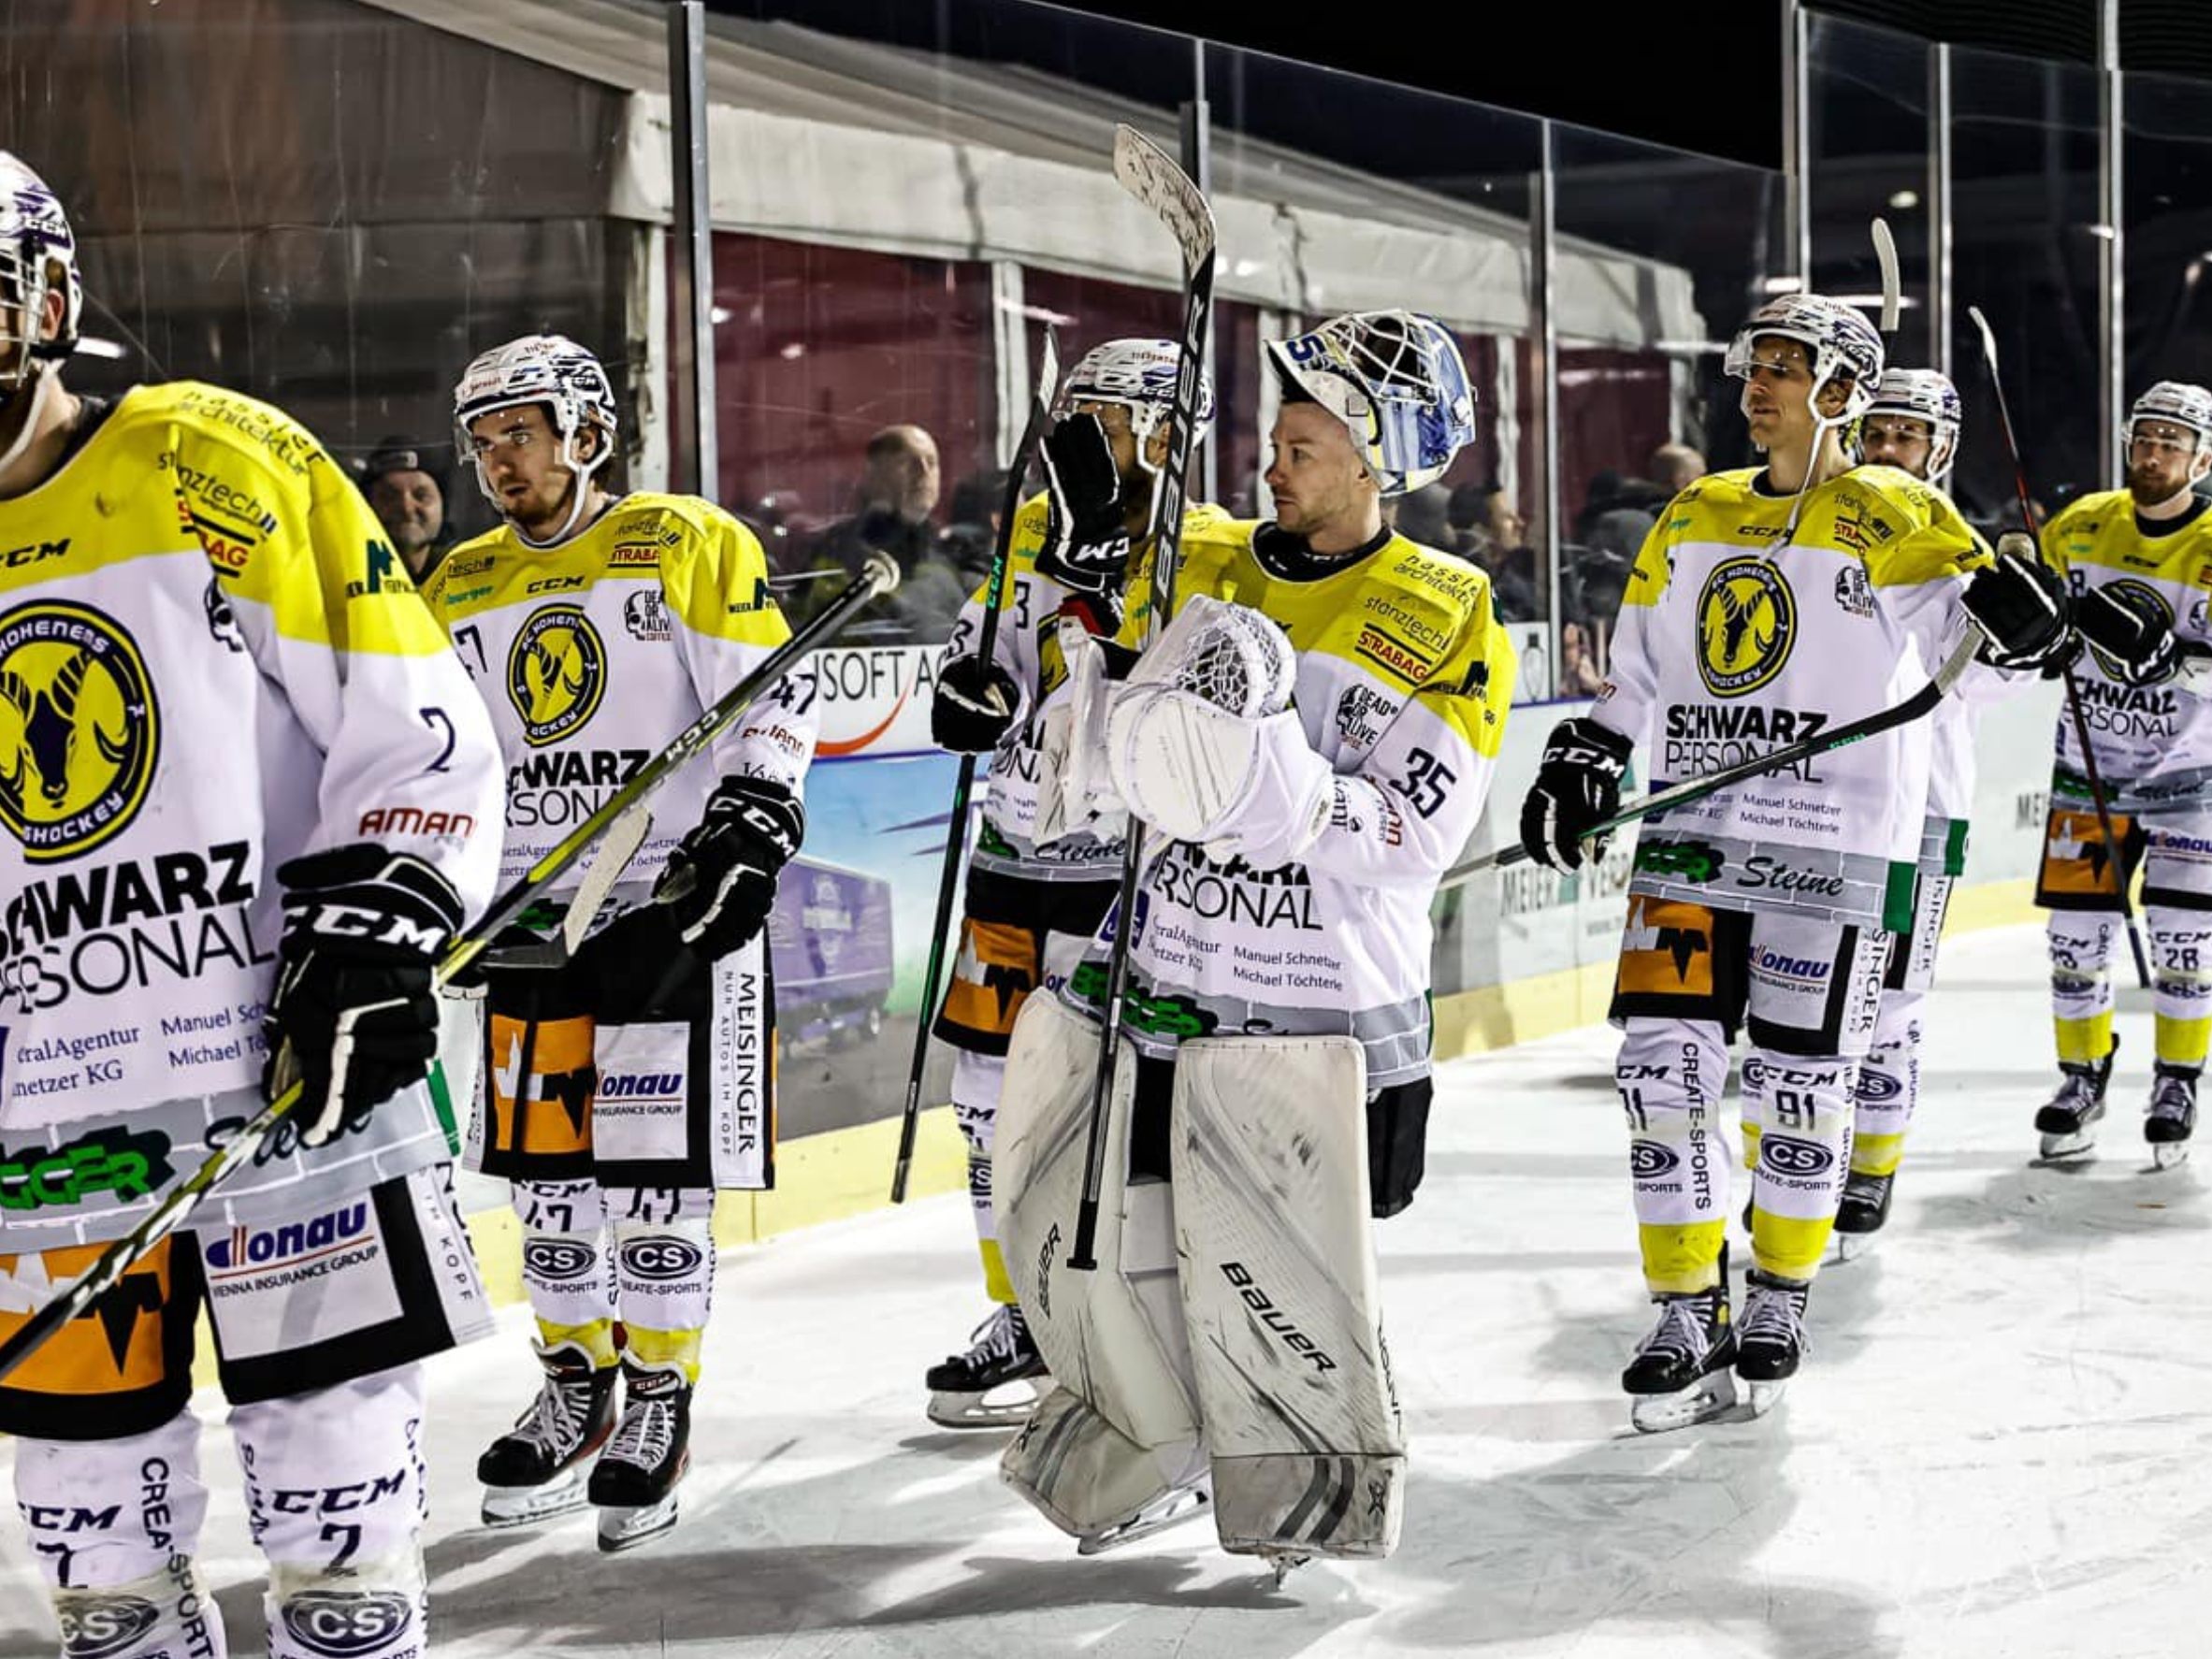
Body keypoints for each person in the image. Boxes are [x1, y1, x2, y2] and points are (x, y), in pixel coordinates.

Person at [0, 151, 505, 1659]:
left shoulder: (208, 459)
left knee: (343, 1551)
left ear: (43, 295)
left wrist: (378, 919)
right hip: (41, 1122)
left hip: (294, 1072)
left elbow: (409, 713)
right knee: (101, 1583)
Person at [991, 310, 1516, 1569]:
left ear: (1373, 462)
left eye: (1301, 444)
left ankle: (1305, 1479)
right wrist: (1086, 583)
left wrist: (1255, 769)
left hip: (1321, 1014)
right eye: (1273, 439)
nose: (1271, 465)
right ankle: (1155, 1441)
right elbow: (1109, 742)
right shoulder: (1209, 563)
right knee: (1124, 1237)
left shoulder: (1449, 611)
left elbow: (1402, 838)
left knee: (1277, 1275)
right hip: (1170, 976)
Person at [1516, 295, 2072, 1434]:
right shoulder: (1693, 510)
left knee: (1800, 1084)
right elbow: (1636, 674)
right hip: (1694, 845)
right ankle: (1682, 1306)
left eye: (1783, 365)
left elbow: (1980, 657)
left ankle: (1776, 1291)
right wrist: (1584, 755)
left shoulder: (1895, 510)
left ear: (1839, 388)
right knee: (1655, 1077)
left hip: (1836, 855)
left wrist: (2032, 626)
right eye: (1754, 365)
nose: (1755, 385)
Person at [419, 333, 818, 1551]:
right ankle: (576, 1382)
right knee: (546, 1188)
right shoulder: (461, 582)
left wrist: (754, 810)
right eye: (483, 440)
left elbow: (768, 698)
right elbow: (438, 745)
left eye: (521, 431)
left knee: (650, 1183)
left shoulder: (684, 541)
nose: (500, 459)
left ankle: (659, 1395)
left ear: (586, 431)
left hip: (658, 907)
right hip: (530, 916)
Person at [920, 339, 1221, 1428]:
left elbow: (1182, 696)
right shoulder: (1031, 537)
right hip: (1012, 864)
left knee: (1118, 1112)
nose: (1080, 436)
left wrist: (1108, 578)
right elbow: (989, 660)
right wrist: (969, 692)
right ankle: (1025, 1316)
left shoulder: (1211, 549)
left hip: (1123, 873)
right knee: (986, 1113)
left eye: (1106, 415)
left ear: (1166, 430)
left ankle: (1136, 1319)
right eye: (1077, 412)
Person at [1809, 367, 1976, 1250]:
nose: (1884, 450)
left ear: (1939, 450)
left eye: (1906, 437)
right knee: (1806, 1010)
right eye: (1875, 432)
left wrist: (2020, 636)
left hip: (1923, 815)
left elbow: (1984, 688)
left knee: (1895, 999)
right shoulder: (1820, 535)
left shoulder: (1954, 552)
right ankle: (1805, 1165)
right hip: (1827, 809)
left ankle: (1870, 1163)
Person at [2029, 381, 2212, 1166]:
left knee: (2184, 943)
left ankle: (2176, 1078)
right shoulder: (2081, 524)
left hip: (2192, 781)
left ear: (2201, 459)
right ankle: (2081, 1076)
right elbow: (2042, 624)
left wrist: (2176, 663)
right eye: (2145, 438)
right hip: (2086, 774)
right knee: (2073, 943)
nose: (2153, 453)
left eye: (2172, 443)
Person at [795, 423, 963, 640]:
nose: (924, 471)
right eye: (907, 462)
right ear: (873, 474)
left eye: (932, 462)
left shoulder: (954, 554)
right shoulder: (836, 552)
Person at [361, 435, 455, 581]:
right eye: (389, 496)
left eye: (421, 496)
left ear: (443, 506)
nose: (406, 508)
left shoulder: (466, 577)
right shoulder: (343, 577)